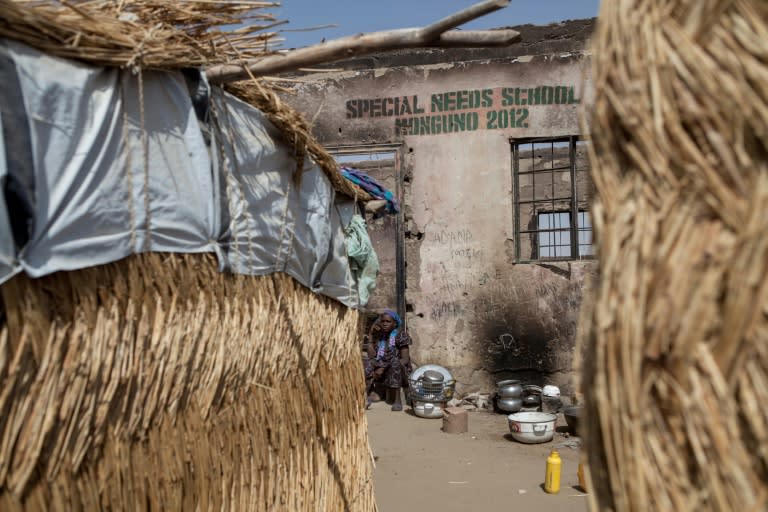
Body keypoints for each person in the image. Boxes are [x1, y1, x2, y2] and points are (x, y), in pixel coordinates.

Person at [364, 309, 412, 411]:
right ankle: (365, 396)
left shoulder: (400, 335)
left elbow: (405, 359)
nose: (385, 324)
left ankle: (397, 400)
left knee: (395, 362)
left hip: (400, 372)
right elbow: (372, 356)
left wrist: (383, 367)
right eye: (383, 321)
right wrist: (371, 335)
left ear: (395, 324)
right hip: (383, 369)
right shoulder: (380, 336)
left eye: (388, 321)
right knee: (367, 362)